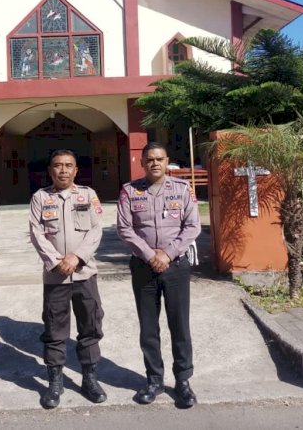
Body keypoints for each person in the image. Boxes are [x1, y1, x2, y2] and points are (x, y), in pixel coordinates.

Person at [116, 141, 201, 409]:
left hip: (175, 266)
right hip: (143, 267)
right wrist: (150, 255)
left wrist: (167, 254)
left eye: (159, 159)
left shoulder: (182, 189)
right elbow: (125, 229)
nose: (154, 163)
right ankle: (153, 380)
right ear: (142, 163)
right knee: (148, 328)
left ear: (167, 162)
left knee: (180, 326)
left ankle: (183, 381)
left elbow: (192, 226)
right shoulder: (130, 191)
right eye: (149, 159)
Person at [29, 149, 107, 409]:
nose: (63, 170)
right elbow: (37, 233)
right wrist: (56, 261)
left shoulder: (88, 195)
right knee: (54, 330)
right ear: (50, 170)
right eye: (58, 165)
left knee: (90, 328)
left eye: (68, 165)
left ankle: (90, 379)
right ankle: (55, 381)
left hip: (85, 273)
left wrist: (77, 258)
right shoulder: (40, 197)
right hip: (55, 277)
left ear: (76, 170)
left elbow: (96, 230)